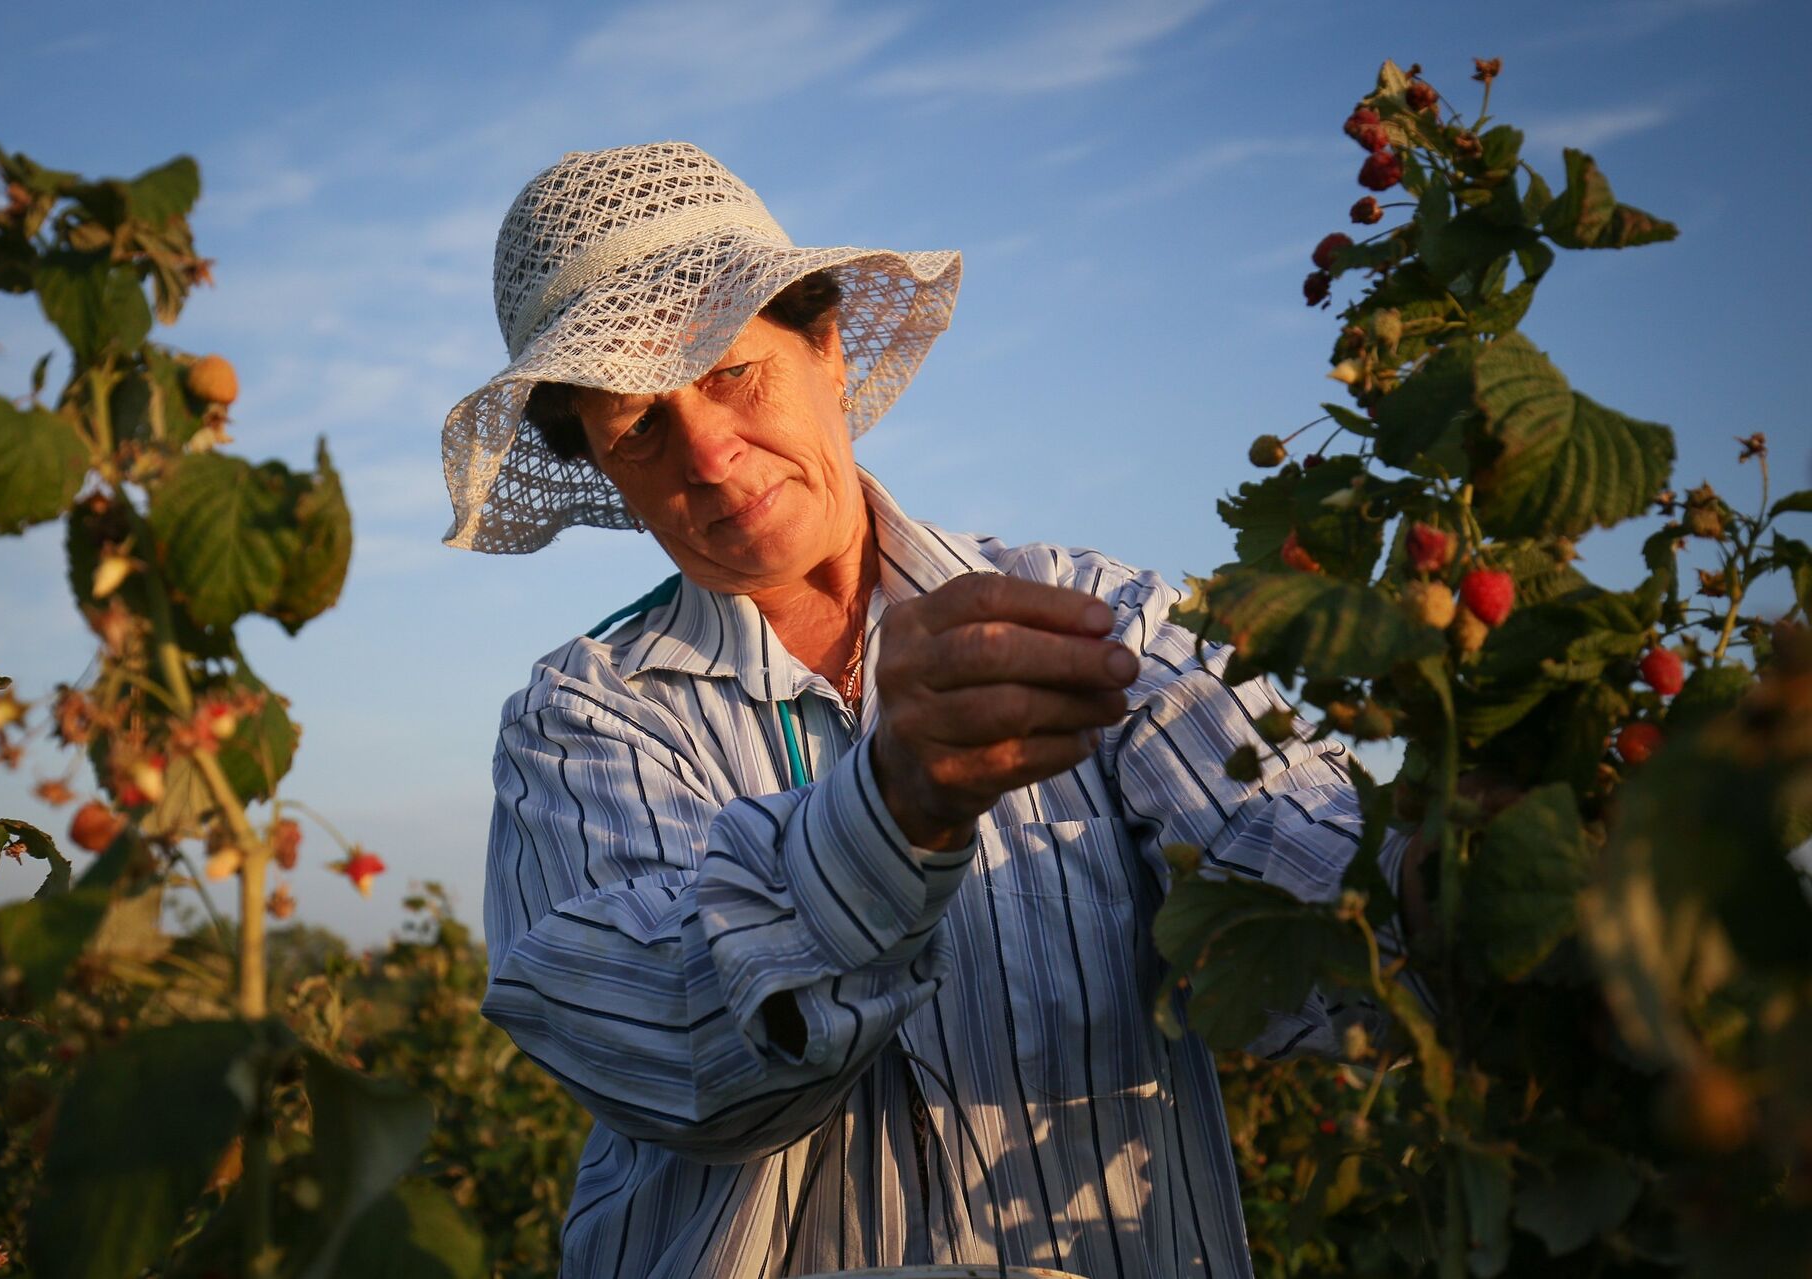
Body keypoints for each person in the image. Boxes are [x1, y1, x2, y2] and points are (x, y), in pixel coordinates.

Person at [440, 142, 1404, 1278]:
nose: (706, 451)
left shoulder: (1096, 616)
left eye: (729, 371)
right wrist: (895, 808)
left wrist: (1462, 874)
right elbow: (680, 1056)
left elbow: (1317, 909)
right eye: (640, 428)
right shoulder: (584, 721)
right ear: (606, 467)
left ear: (828, 347)